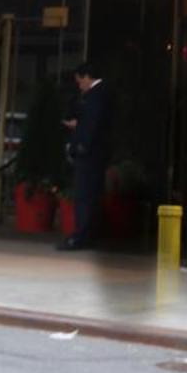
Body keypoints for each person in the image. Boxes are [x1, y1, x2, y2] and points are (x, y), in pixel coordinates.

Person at [59, 61, 111, 251]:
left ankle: (81, 236)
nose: (79, 85)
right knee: (91, 195)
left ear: (87, 77)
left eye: (80, 81)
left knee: (83, 196)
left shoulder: (96, 96)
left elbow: (92, 124)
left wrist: (80, 144)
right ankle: (88, 234)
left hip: (89, 154)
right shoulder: (101, 94)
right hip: (96, 154)